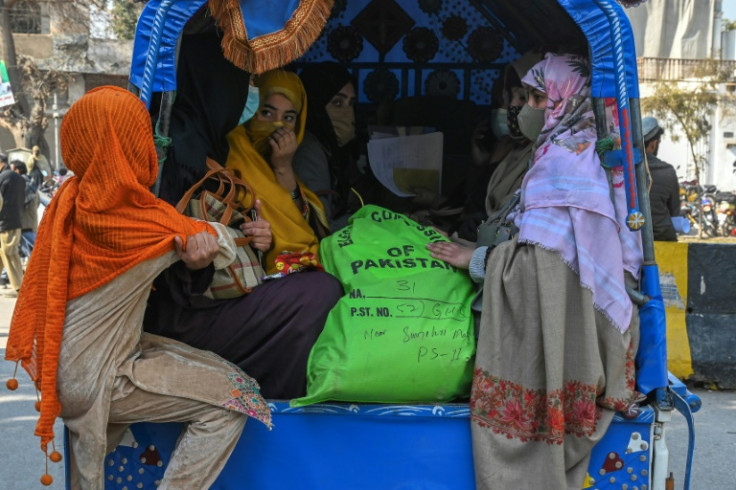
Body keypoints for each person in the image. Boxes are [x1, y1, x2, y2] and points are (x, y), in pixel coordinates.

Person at [4, 86, 271, 489]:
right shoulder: (135, 217)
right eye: (142, 135)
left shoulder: (69, 200)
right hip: (102, 376)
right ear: (126, 143)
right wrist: (249, 233)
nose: (153, 145)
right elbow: (212, 239)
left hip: (64, 369)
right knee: (237, 399)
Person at [427, 53, 642, 489]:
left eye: (538, 97)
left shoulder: (564, 163)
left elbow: (546, 271)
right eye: (524, 96)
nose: (526, 107)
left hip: (584, 331)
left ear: (569, 100)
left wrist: (477, 260)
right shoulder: (571, 150)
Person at [144, 30, 343, 400]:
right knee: (320, 292)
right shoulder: (177, 151)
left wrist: (253, 237)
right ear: (216, 82)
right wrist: (197, 260)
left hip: (213, 296)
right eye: (244, 83)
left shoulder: (206, 139)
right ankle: (275, 400)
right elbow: (167, 245)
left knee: (318, 286)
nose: (248, 96)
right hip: (181, 313)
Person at [453, 51, 542, 242]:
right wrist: (480, 165)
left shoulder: (545, 155)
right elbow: (476, 201)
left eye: (522, 96)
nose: (511, 105)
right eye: (509, 96)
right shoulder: (509, 146)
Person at [294, 62, 366, 230]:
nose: (348, 113)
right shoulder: (308, 151)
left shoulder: (332, 148)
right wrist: (370, 221)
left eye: (351, 104)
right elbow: (322, 225)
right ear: (316, 104)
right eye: (338, 103)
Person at [642, 116, 680, 241]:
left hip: (632, 238)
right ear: (654, 143)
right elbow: (675, 212)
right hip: (662, 238)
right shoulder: (667, 171)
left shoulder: (622, 169)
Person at [0, 152, 25, 297]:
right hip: (16, 221)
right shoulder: (19, 179)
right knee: (3, 253)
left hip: (5, 223)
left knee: (9, 254)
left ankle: (19, 287)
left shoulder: (2, 178)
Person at [10, 160, 38, 258]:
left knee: (34, 256)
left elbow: (19, 203)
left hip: (25, 226)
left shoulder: (23, 183)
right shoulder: (30, 181)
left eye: (11, 170)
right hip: (27, 223)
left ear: (17, 171)